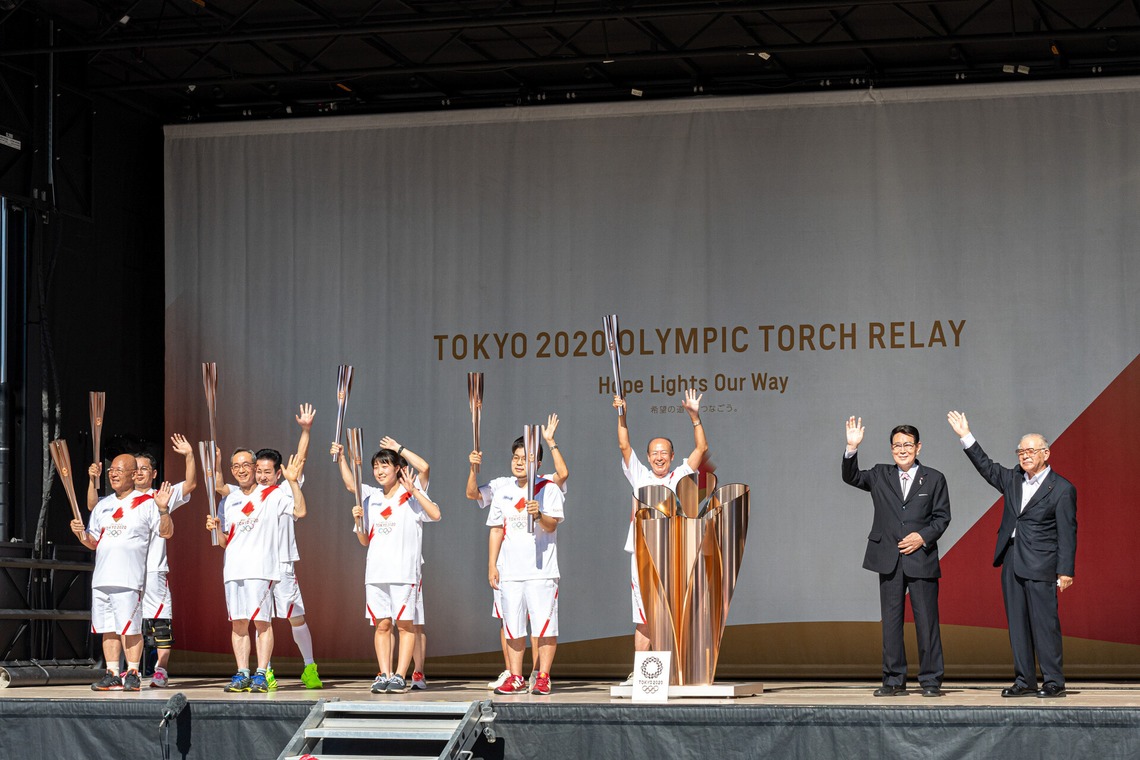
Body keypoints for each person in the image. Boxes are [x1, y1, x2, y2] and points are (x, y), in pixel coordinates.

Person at [947, 410, 1077, 698]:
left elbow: (1068, 533)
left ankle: (1054, 681)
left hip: (1042, 563)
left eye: (1031, 451)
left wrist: (1065, 570)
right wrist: (965, 436)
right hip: (1012, 559)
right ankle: (1025, 681)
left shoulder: (1062, 489)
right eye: (1021, 451)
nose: (1025, 455)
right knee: (1017, 625)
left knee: (1045, 625)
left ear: (1046, 453)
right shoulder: (1013, 479)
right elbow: (986, 467)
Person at [841, 417, 951, 697]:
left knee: (927, 623)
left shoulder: (935, 478)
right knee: (891, 623)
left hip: (921, 557)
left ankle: (930, 680)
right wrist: (851, 447)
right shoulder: (879, 474)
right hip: (888, 558)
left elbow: (942, 518)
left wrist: (922, 537)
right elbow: (851, 477)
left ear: (918, 447)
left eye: (908, 445)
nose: (902, 449)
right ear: (891, 449)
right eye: (897, 445)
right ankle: (893, 680)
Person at [466, 414, 568, 691]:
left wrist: (540, 514)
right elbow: (497, 529)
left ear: (537, 462)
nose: (519, 462)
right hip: (510, 571)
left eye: (526, 457)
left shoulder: (548, 489)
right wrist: (491, 565)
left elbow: (551, 525)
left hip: (540, 571)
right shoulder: (503, 490)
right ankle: (515, 676)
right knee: (512, 627)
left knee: (544, 627)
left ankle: (543, 677)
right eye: (516, 457)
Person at [612, 389, 706, 683]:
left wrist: (694, 418)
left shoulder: (679, 476)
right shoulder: (639, 475)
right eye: (654, 453)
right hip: (642, 554)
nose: (659, 457)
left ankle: (673, 672)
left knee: (670, 616)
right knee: (643, 617)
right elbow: (623, 444)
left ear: (672, 456)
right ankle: (642, 674)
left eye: (664, 452)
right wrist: (622, 414)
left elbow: (701, 449)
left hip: (672, 554)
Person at [335, 434, 433, 689]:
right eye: (375, 467)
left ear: (398, 469)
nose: (378, 471)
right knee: (382, 624)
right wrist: (341, 458)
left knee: (405, 625)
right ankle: (385, 674)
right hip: (376, 573)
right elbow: (351, 487)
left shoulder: (412, 492)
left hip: (404, 571)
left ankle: (401, 675)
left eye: (384, 465)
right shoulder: (371, 498)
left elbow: (424, 468)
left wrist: (398, 448)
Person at [205, 448, 305, 693]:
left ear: (254, 467)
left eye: (246, 465)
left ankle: (261, 673)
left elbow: (300, 511)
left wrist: (292, 481)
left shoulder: (271, 494)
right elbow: (224, 541)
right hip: (233, 570)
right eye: (236, 466)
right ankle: (242, 673)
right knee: (238, 623)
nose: (241, 470)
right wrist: (215, 530)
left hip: (260, 569)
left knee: (262, 623)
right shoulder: (229, 500)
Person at [71, 454, 174, 692]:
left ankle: (134, 672)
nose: (113, 474)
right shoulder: (103, 505)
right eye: (111, 471)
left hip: (129, 577)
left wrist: (164, 510)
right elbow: (94, 541)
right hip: (102, 578)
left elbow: (166, 532)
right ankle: (112, 673)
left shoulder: (148, 502)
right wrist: (81, 535)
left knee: (131, 628)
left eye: (119, 470)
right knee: (108, 628)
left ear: (133, 474)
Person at [131, 434, 197, 688]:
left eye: (143, 469)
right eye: (134, 469)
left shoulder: (162, 495)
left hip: (153, 570)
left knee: (160, 621)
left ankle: (160, 670)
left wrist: (189, 455)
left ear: (154, 473)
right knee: (130, 622)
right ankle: (131, 671)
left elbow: (190, 484)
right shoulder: (120, 500)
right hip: (127, 572)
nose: (138, 473)